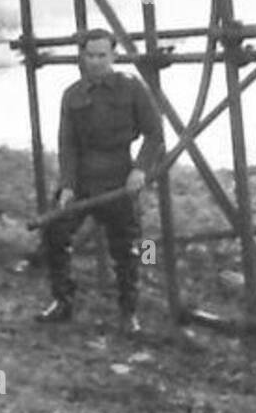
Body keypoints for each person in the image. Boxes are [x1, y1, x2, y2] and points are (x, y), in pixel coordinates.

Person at [37, 28, 164, 333]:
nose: (95, 62)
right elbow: (66, 144)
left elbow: (155, 133)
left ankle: (128, 313)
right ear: (82, 57)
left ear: (114, 56)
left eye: (102, 56)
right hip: (82, 178)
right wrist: (67, 185)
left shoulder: (132, 88)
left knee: (129, 248)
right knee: (55, 232)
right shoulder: (72, 95)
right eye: (90, 56)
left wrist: (140, 170)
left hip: (120, 176)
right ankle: (63, 301)